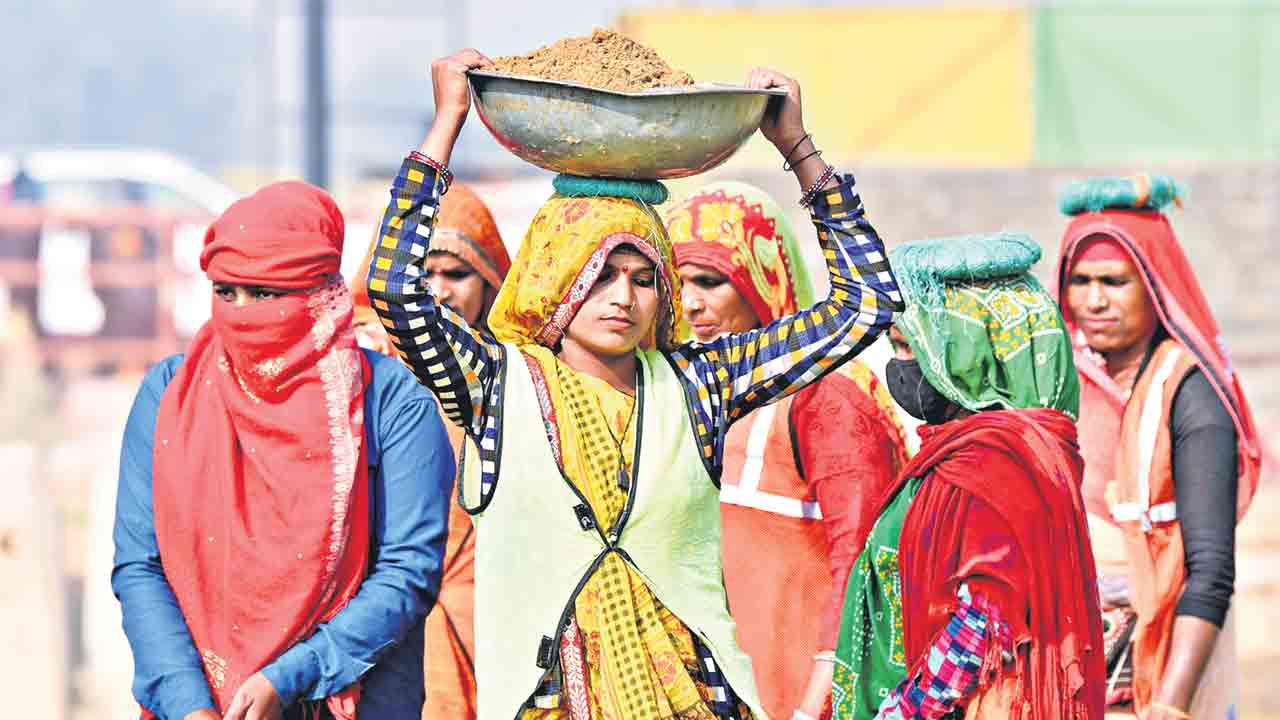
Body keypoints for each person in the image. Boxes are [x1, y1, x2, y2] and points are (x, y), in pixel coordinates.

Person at [367, 49, 902, 720]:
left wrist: (797, 148)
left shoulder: (699, 386)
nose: (622, 297)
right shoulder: (497, 388)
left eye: (644, 278)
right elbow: (394, 290)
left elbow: (866, 305)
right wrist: (447, 123)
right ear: (556, 277)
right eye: (599, 274)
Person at [112, 181, 455, 720]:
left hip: (350, 699)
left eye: (264, 294)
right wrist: (188, 703)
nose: (242, 313)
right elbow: (140, 565)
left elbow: (408, 571)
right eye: (226, 292)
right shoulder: (169, 396)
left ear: (319, 293)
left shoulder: (389, 403)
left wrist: (289, 677)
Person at [832, 233, 1106, 720]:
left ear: (968, 358)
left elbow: (983, 619)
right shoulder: (966, 452)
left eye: (910, 348)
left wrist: (905, 711)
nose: (899, 366)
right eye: (896, 346)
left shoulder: (999, 465)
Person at [665, 182, 908, 720]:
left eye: (709, 281)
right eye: (675, 283)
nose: (690, 303)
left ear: (764, 280)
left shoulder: (826, 396)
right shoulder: (677, 393)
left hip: (800, 698)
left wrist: (816, 703)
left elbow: (862, 564)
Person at [1054, 176, 1261, 720]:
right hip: (1075, 671)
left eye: (1114, 281)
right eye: (1080, 281)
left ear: (1153, 285)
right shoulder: (1059, 387)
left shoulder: (1189, 394)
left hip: (1167, 668)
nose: (1095, 300)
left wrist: (1170, 705)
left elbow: (1210, 569)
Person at [350, 180, 512, 720]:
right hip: (379, 604)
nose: (437, 292)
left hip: (487, 610)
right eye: (423, 276)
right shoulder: (357, 366)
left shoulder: (514, 371)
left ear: (490, 283)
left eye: (456, 274)